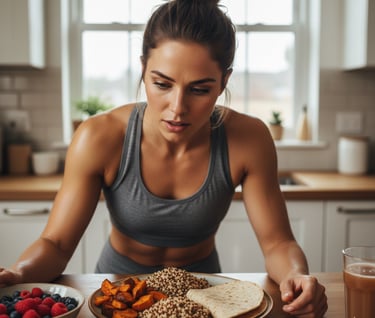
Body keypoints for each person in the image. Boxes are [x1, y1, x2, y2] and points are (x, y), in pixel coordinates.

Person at [0, 0, 327, 316]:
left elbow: (277, 244)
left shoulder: (249, 138)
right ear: (143, 69)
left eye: (199, 89)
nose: (177, 108)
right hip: (119, 298)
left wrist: (295, 276)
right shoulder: (99, 136)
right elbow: (56, 244)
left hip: (204, 299)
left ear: (224, 81)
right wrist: (18, 274)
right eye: (162, 84)